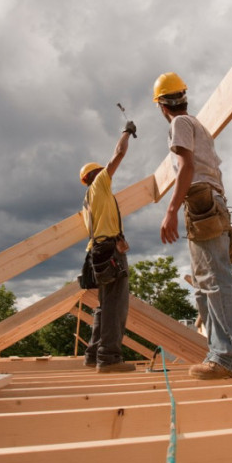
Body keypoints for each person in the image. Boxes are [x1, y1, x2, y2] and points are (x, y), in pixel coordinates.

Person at [153, 72, 232, 379]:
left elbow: (187, 167)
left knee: (214, 280)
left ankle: (230, 358)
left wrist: (170, 211)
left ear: (161, 106)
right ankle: (220, 353)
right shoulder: (197, 125)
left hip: (201, 202)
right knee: (203, 285)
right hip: (208, 203)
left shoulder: (179, 124)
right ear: (183, 97)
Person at [79, 120, 137, 373]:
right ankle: (109, 358)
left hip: (97, 253)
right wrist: (127, 132)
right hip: (109, 253)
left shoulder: (86, 203)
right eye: (103, 172)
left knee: (105, 305)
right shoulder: (100, 184)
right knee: (116, 305)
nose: (108, 175)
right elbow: (119, 154)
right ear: (96, 175)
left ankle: (94, 354)